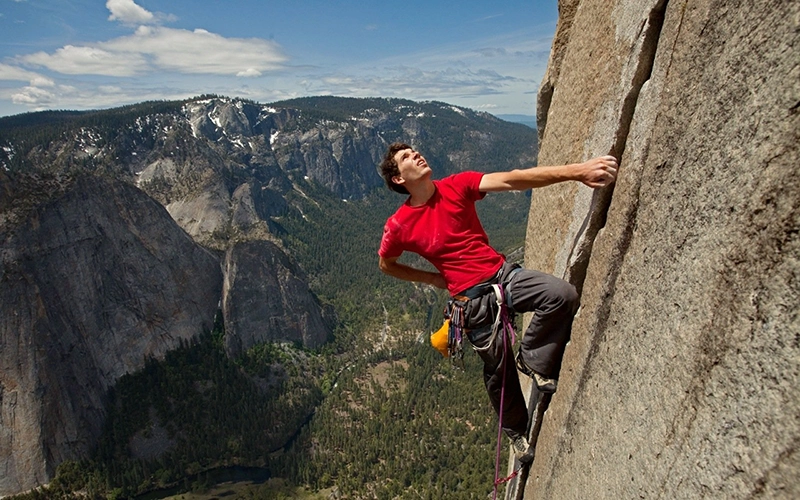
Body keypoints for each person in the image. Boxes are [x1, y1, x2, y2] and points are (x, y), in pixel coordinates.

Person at [377, 142, 618, 462]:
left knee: (561, 295)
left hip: (503, 276)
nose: (416, 154)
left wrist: (578, 172)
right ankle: (517, 431)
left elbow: (515, 178)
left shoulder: (457, 185)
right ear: (397, 179)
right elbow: (386, 264)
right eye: (405, 157)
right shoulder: (400, 225)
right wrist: (433, 279)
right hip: (471, 301)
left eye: (414, 150)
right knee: (497, 370)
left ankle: (532, 360)